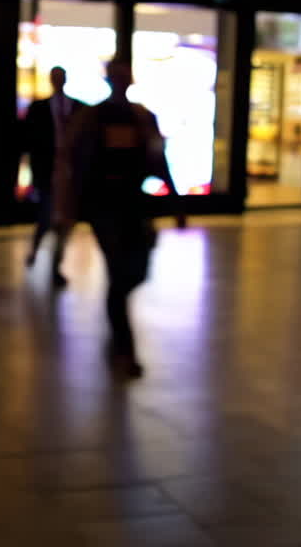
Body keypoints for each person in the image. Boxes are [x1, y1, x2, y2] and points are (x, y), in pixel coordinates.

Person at [55, 58, 181, 379]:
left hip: (133, 206)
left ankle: (119, 338)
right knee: (118, 272)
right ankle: (124, 349)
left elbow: (158, 158)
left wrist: (177, 201)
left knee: (134, 272)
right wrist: (71, 202)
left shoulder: (141, 118)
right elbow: (73, 161)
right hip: (105, 207)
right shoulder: (93, 118)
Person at [22, 66, 86, 287]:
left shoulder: (79, 109)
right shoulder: (39, 109)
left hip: (69, 174)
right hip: (49, 172)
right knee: (47, 215)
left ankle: (55, 264)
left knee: (64, 221)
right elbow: (29, 142)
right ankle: (37, 250)